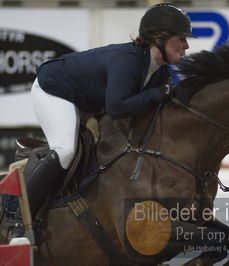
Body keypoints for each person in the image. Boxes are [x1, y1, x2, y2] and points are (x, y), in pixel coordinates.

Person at [10, 3, 196, 238]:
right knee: (66, 150)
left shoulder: (159, 70)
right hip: (53, 90)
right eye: (181, 38)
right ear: (159, 37)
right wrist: (160, 94)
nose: (187, 45)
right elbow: (117, 107)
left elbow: (152, 108)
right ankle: (19, 220)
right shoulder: (127, 59)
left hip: (86, 99)